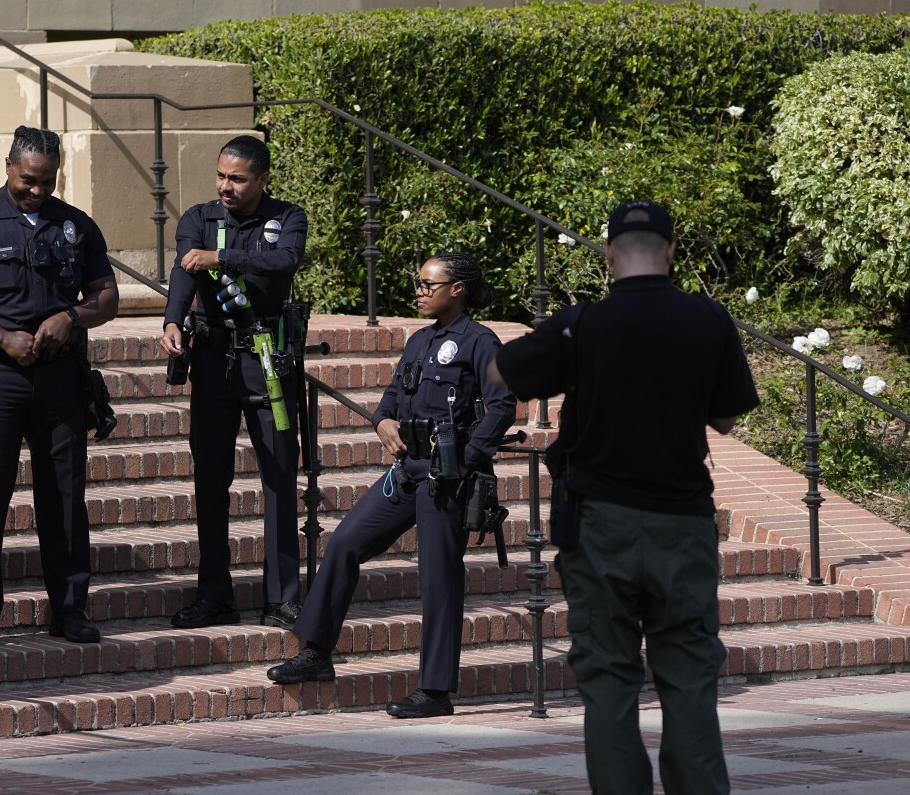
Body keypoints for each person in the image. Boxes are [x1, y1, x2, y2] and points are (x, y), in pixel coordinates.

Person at [487, 201, 759, 794]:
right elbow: (727, 418)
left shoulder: (582, 324)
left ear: (609, 255)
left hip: (598, 525)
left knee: (608, 680)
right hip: (682, 522)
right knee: (688, 677)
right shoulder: (707, 318)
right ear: (671, 252)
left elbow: (502, 373)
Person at [267, 253, 517, 718]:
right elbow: (393, 396)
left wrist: (467, 461)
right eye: (417, 283)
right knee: (344, 543)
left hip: (447, 476)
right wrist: (382, 421)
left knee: (439, 578)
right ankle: (317, 652)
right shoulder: (421, 340)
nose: (419, 291)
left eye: (427, 284)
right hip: (406, 470)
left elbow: (503, 406)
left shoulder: (481, 342)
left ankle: (436, 692)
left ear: (457, 288)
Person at [0, 125, 119, 650]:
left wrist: (70, 317)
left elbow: (106, 296)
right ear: (8, 165)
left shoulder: (75, 226)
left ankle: (70, 609)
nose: (38, 190)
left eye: (47, 182)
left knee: (65, 498)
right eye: (29, 180)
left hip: (59, 377)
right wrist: (2, 337)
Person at [159, 135, 309, 630]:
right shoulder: (199, 218)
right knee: (210, 479)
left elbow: (284, 262)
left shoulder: (288, 217)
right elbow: (184, 271)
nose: (225, 186)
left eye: (237, 179)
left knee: (279, 476)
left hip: (267, 361)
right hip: (213, 362)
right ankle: (214, 593)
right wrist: (173, 318)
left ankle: (282, 597)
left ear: (263, 180)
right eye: (221, 175)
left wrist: (221, 259)